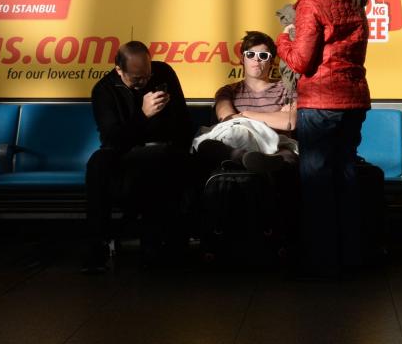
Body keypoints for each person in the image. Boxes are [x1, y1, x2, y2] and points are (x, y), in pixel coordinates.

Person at [276, 0, 371, 279]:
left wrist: (282, 40)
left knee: (315, 182)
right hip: (354, 100)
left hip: (320, 103)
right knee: (345, 179)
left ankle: (321, 263)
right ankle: (352, 257)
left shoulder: (312, 2)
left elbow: (301, 61)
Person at [83, 41, 193, 273]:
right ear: (119, 70)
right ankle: (96, 248)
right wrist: (143, 115)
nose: (143, 82)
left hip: (164, 150)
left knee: (159, 162)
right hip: (124, 153)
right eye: (136, 79)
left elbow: (183, 124)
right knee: (97, 163)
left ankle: (155, 248)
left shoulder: (163, 74)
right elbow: (112, 139)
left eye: (147, 75)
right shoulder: (104, 90)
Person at [194, 31, 298, 173]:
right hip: (238, 144)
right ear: (242, 59)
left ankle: (258, 162)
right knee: (206, 145)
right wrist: (277, 116)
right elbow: (227, 119)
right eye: (250, 55)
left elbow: (291, 121)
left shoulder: (286, 88)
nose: (256, 60)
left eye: (263, 56)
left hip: (275, 146)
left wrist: (245, 114)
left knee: (288, 155)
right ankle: (245, 158)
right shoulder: (227, 91)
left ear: (272, 61)